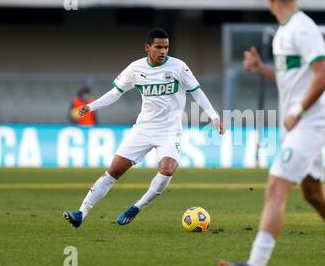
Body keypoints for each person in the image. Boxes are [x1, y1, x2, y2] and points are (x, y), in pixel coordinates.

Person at [219, 0, 325, 266]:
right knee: (313, 193)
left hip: (310, 122)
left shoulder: (303, 28)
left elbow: (323, 76)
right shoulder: (284, 32)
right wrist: (261, 68)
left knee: (275, 186)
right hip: (298, 125)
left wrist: (297, 111)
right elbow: (291, 75)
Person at [63, 28, 225, 228]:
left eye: (166, 47)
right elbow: (115, 93)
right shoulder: (135, 68)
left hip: (169, 131)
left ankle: (136, 207)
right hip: (143, 129)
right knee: (114, 170)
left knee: (167, 169)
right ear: (147, 48)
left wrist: (214, 117)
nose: (163, 51)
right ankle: (81, 213)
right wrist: (91, 106)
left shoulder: (178, 67)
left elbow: (197, 92)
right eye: (158, 47)